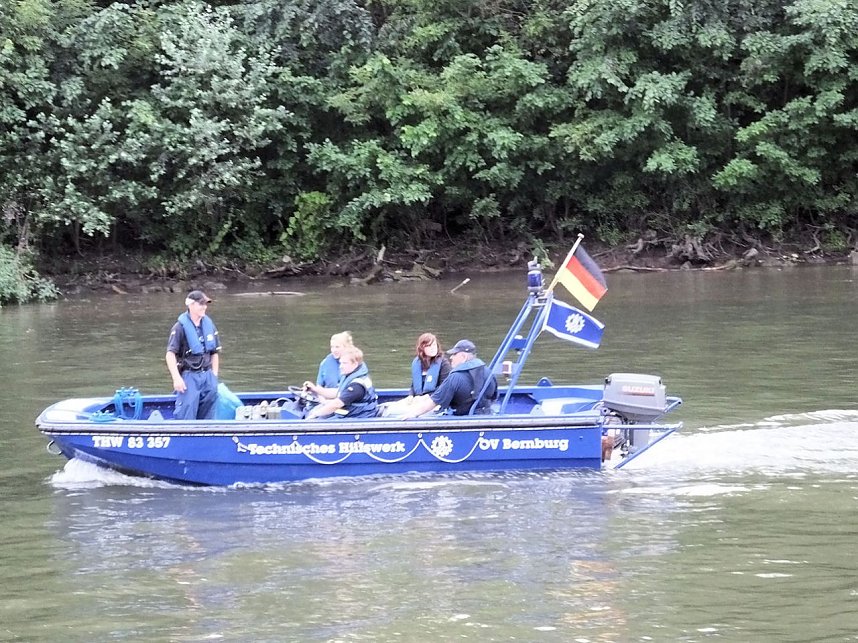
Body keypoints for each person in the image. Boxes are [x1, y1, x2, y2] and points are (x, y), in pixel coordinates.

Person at [400, 339, 497, 418]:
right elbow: (494, 397)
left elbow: (433, 402)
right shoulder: (489, 373)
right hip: (485, 415)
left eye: (454, 354)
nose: (451, 357)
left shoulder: (455, 377)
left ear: (463, 357)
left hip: (461, 418)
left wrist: (413, 414)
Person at [166, 290, 222, 420]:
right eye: (201, 304)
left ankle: (206, 438)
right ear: (191, 305)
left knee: (208, 414)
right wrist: (176, 378)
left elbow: (214, 353)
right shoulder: (179, 327)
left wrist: (214, 375)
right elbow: (170, 354)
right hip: (189, 376)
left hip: (207, 376)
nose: (204, 307)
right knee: (186, 412)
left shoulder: (209, 325)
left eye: (205, 304)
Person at [303, 346, 378, 419]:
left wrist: (315, 414)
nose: (340, 366)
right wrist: (315, 389)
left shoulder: (356, 386)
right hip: (352, 413)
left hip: (358, 417)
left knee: (319, 419)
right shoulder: (352, 375)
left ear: (355, 364)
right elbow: (339, 392)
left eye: (344, 363)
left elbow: (336, 404)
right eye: (340, 363)